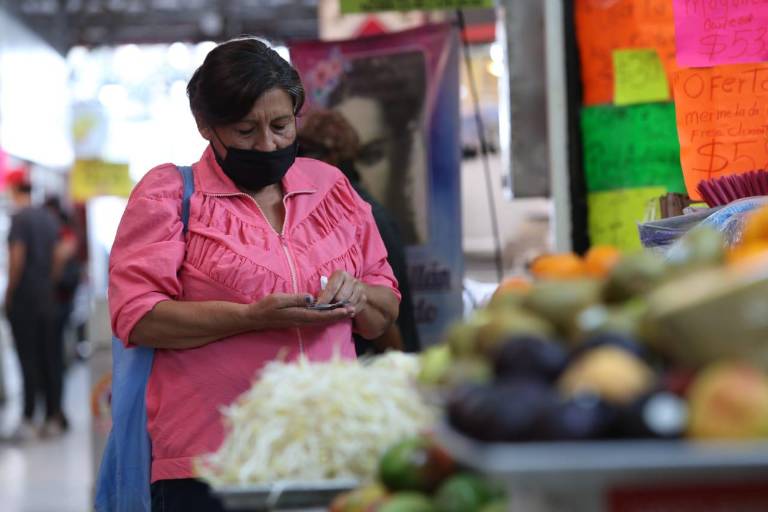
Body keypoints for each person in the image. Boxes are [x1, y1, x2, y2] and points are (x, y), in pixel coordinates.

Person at [107, 37, 400, 511]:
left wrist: (359, 295)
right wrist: (249, 317)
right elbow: (138, 318)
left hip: (329, 454)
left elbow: (383, 313)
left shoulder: (331, 188)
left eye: (282, 125)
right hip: (211, 464)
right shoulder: (169, 196)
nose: (268, 144)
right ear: (206, 126)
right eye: (245, 130)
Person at [298, 108, 420, 354]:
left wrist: (397, 370)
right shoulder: (332, 205)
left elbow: (386, 314)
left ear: (332, 156)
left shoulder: (358, 213)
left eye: (307, 154)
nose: (298, 164)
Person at [326, 51, 428, 246]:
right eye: (339, 160)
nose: (353, 178)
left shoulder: (381, 232)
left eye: (371, 155)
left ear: (403, 154)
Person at [4, 169, 66, 439]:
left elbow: (17, 259)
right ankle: (53, 417)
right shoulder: (48, 218)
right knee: (50, 358)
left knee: (27, 358)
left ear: (17, 191)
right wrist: (48, 283)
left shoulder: (19, 220)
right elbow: (59, 256)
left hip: (25, 301)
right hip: (47, 299)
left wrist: (9, 293)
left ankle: (28, 419)